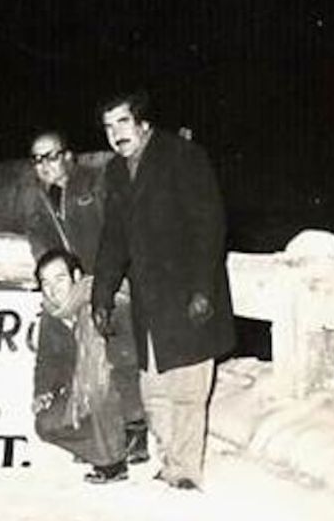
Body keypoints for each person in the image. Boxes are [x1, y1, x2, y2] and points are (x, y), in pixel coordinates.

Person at [92, 89, 235, 491]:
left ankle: (185, 470)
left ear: (142, 122)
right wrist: (101, 295)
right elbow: (113, 239)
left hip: (188, 293)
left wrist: (202, 289)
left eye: (122, 122)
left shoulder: (183, 156)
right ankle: (171, 458)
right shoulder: (117, 172)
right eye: (107, 127)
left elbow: (210, 225)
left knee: (187, 386)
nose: (115, 134)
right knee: (153, 387)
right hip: (149, 299)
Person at [23, 131, 148, 464]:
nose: (44, 165)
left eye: (51, 156)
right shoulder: (40, 204)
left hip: (109, 282)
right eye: (37, 159)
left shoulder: (94, 184)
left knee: (118, 349)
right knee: (81, 355)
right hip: (76, 290)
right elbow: (45, 253)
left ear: (67, 156)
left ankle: (135, 425)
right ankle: (103, 440)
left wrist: (111, 279)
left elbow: (121, 227)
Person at [33, 248, 136, 483]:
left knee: (101, 383)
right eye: (45, 282)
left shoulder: (108, 302)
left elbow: (129, 360)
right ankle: (107, 446)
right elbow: (47, 361)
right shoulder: (51, 315)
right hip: (82, 396)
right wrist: (43, 391)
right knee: (45, 424)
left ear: (77, 276)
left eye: (60, 279)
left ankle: (113, 463)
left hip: (125, 390)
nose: (53, 289)